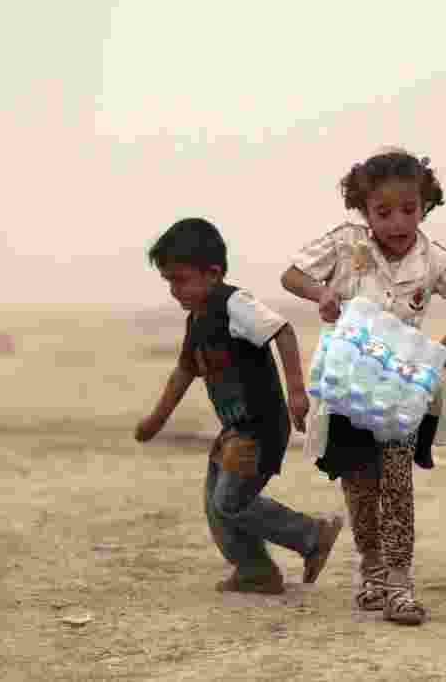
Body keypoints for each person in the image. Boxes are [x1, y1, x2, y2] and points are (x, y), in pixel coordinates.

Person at [280, 149, 446, 624]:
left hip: (401, 387)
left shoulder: (433, 257)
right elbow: (291, 274)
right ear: (364, 210)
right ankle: (372, 571)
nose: (397, 222)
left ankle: (400, 583)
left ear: (424, 206)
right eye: (383, 212)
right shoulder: (344, 245)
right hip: (348, 384)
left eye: (408, 210)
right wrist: (322, 292)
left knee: (397, 483)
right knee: (359, 481)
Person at [136, 217, 344, 594]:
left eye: (180, 280)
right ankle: (255, 570)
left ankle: (311, 535)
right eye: (169, 281)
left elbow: (282, 330)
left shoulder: (233, 303)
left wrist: (296, 391)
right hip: (235, 430)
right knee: (217, 507)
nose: (174, 290)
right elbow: (183, 372)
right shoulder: (196, 320)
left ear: (212, 273)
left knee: (231, 501)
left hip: (261, 427)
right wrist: (156, 420)